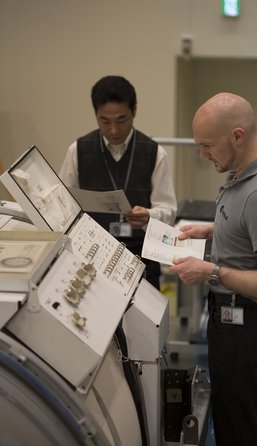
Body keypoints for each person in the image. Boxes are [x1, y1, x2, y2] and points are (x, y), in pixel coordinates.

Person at [169, 92, 257, 446]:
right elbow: (252, 231)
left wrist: (211, 271)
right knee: (235, 420)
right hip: (239, 324)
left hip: (249, 328)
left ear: (238, 136)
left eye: (208, 145)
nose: (203, 154)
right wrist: (210, 231)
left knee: (241, 432)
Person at [60, 75, 177, 290]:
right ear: (95, 115)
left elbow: (168, 210)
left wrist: (149, 215)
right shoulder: (78, 151)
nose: (114, 130)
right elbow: (63, 206)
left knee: (143, 324)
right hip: (90, 256)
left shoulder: (154, 153)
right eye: (105, 121)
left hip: (141, 258)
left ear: (134, 111)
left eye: (121, 120)